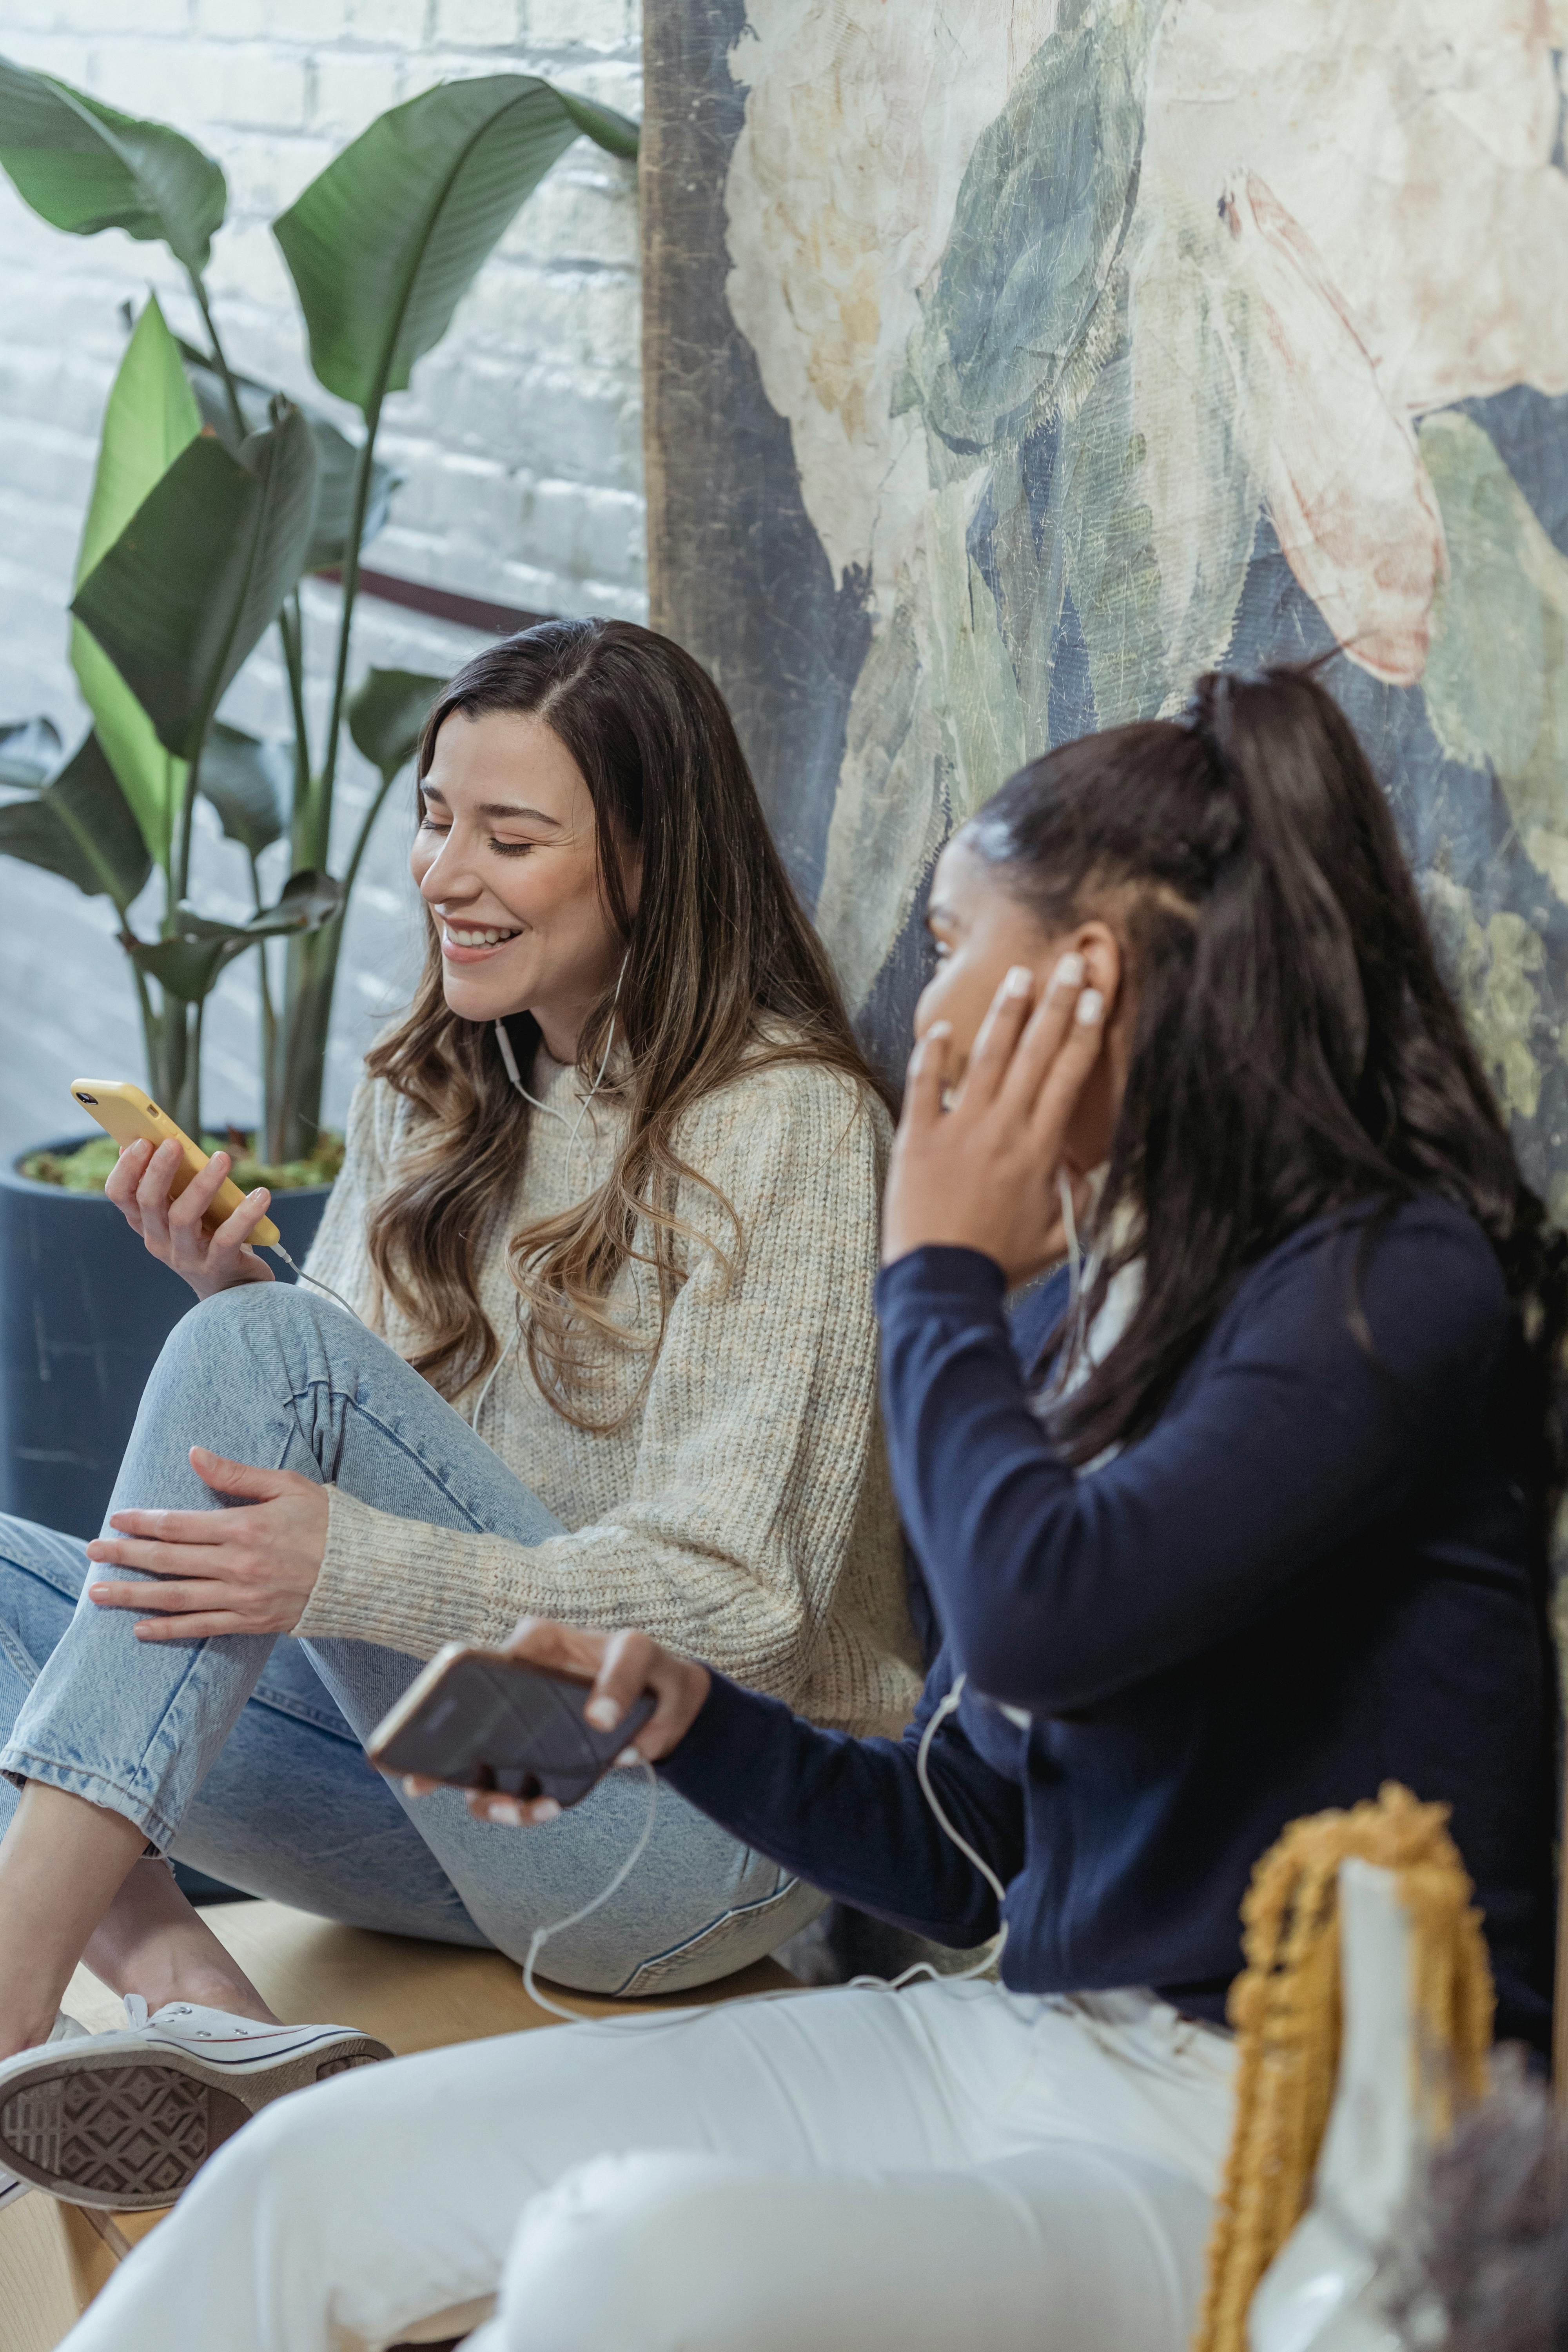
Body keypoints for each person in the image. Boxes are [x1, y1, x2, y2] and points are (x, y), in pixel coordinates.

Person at [35, 665, 1563, 2352]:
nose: (924, 995)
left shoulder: (1383, 1289)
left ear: (1088, 983)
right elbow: (951, 1846)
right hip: (1012, 2035)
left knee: (634, 2259)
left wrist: (934, 1266)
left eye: (950, 941)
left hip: (1266, 2142)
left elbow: (1043, 1614)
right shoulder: (1087, 1311)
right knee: (300, 2184)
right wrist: (681, 1721)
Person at [0, 620, 922, 2210]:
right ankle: (193, 2009)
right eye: (436, 819)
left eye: (512, 837)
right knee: (209, 1403)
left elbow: (750, 1618)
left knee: (282, 1358)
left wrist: (346, 1557)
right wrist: (232, 1301)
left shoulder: (794, 1126)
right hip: (446, 1785)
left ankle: (6, 2003)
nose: (446, 873)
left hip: (677, 1826)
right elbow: (345, 1442)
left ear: (646, 858)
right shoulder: (429, 1086)